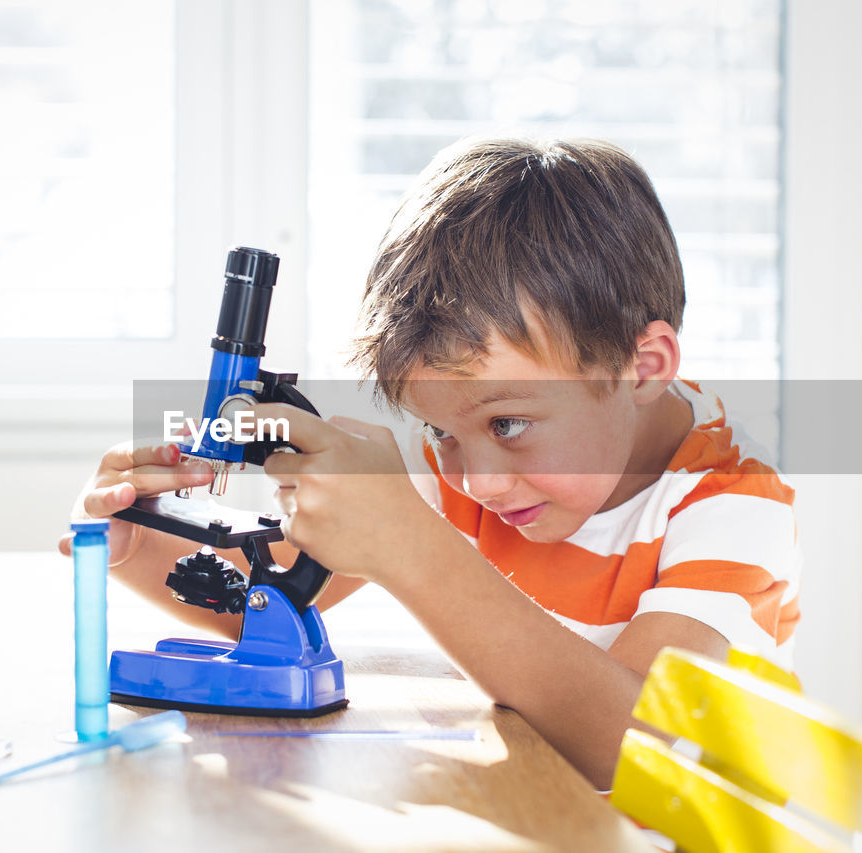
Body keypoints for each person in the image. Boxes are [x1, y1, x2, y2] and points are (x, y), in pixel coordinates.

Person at [62, 137, 800, 790]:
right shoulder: (473, 457)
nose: (475, 479)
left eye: (510, 422)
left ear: (643, 367)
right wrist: (134, 540)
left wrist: (415, 547)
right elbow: (273, 603)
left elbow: (635, 748)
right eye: (438, 430)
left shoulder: (732, 502)